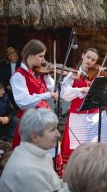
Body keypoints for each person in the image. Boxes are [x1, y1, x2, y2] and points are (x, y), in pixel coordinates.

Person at [60, 47, 107, 165]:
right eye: (88, 57)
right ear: (83, 55)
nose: (90, 61)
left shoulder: (98, 74)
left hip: (97, 116)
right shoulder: (72, 73)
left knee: (98, 150)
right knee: (78, 150)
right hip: (78, 117)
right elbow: (64, 94)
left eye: (93, 60)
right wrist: (80, 90)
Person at [9, 39, 63, 176]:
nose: (43, 59)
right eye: (41, 56)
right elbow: (22, 101)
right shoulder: (18, 76)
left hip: (46, 120)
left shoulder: (39, 74)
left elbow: (55, 89)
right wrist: (45, 95)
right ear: (30, 56)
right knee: (31, 162)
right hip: (31, 122)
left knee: (50, 157)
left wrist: (52, 76)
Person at [0, 108, 63, 191]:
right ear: (34, 136)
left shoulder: (42, 154)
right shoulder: (28, 171)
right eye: (52, 130)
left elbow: (56, 186)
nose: (58, 134)